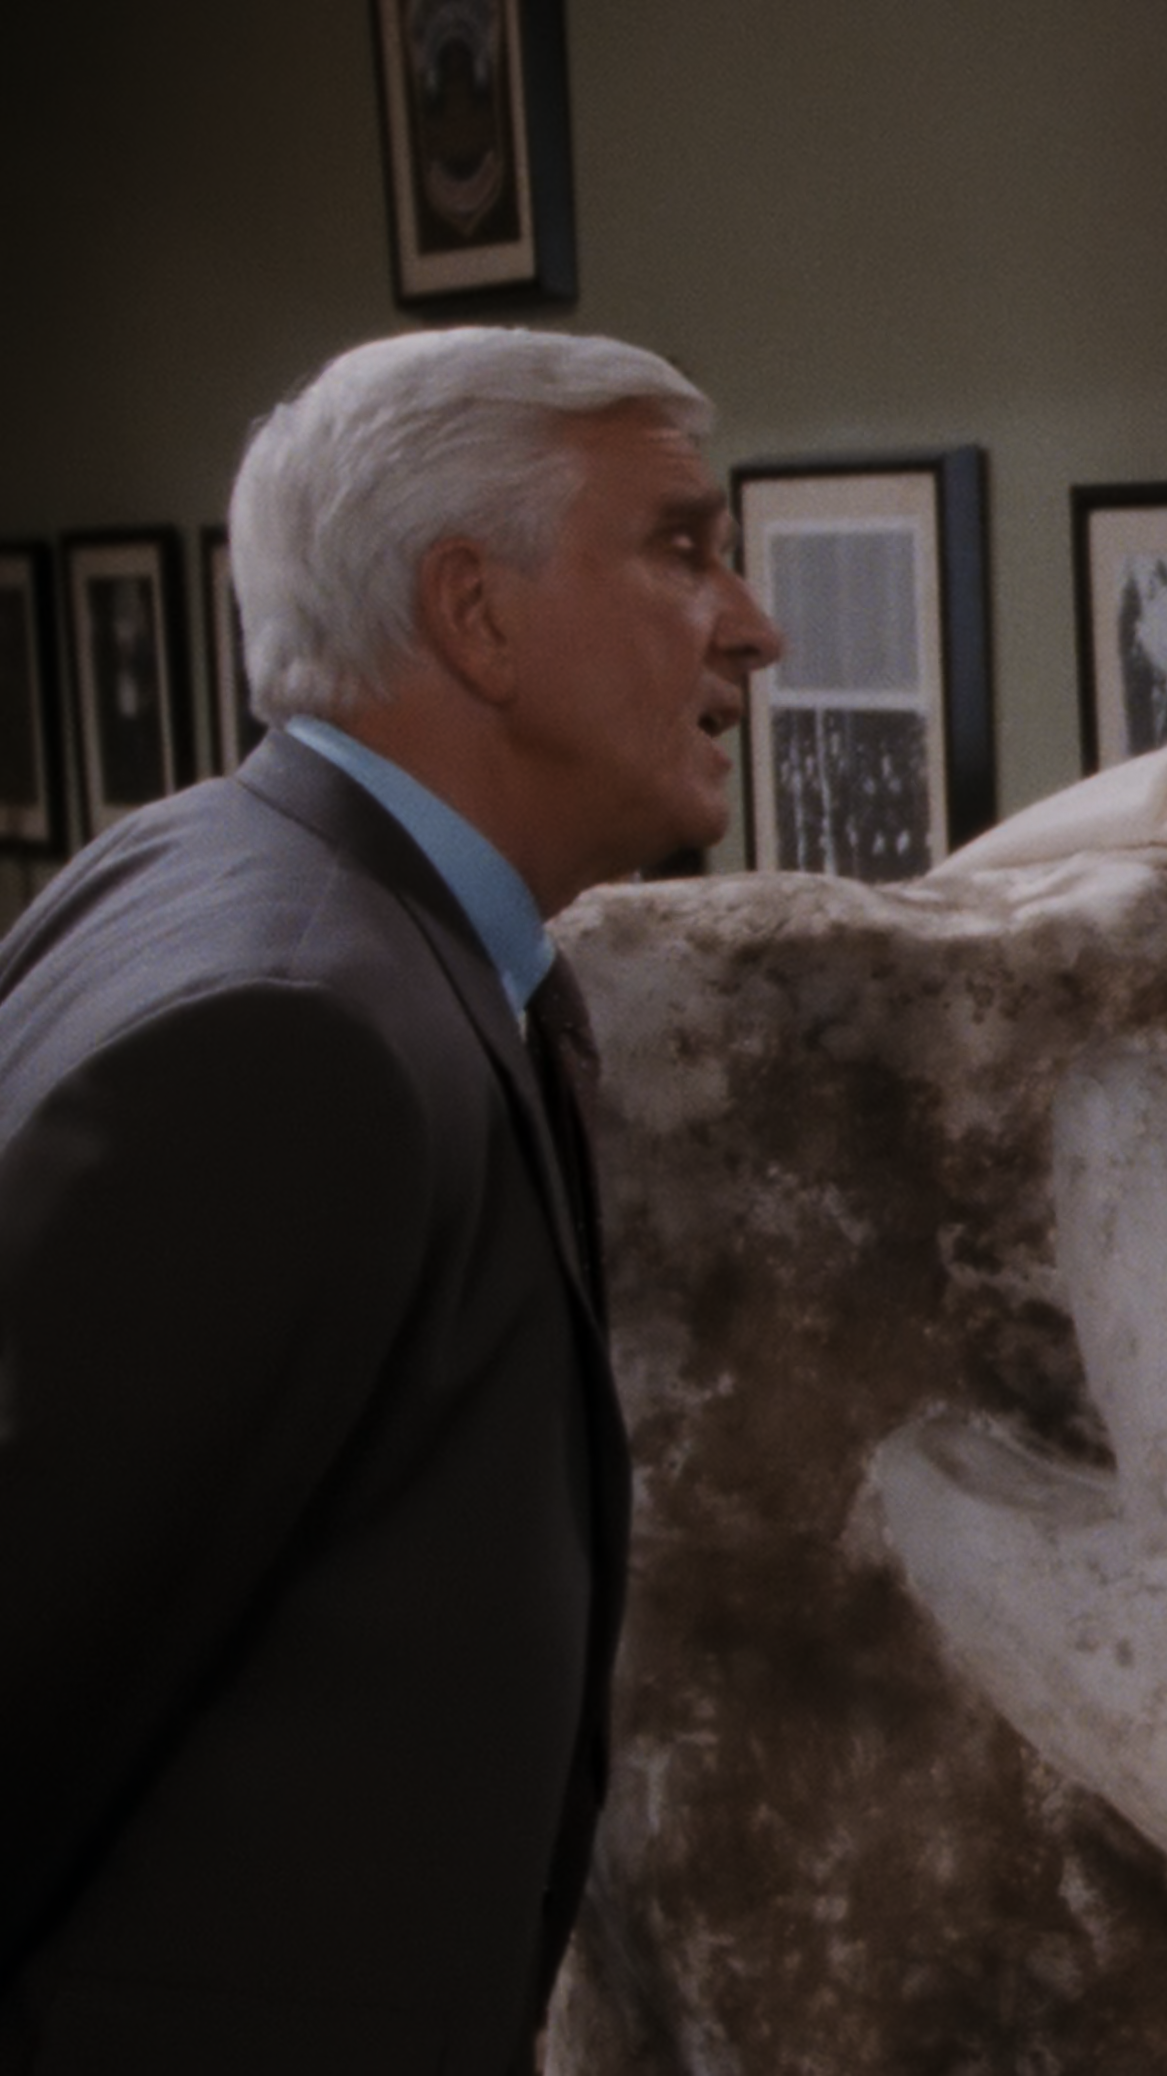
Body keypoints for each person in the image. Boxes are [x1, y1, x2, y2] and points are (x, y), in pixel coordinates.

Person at [0, 328, 783, 2068]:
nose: (750, 625)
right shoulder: (298, 1039)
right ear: (473, 613)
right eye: (681, 548)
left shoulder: (212, 867)